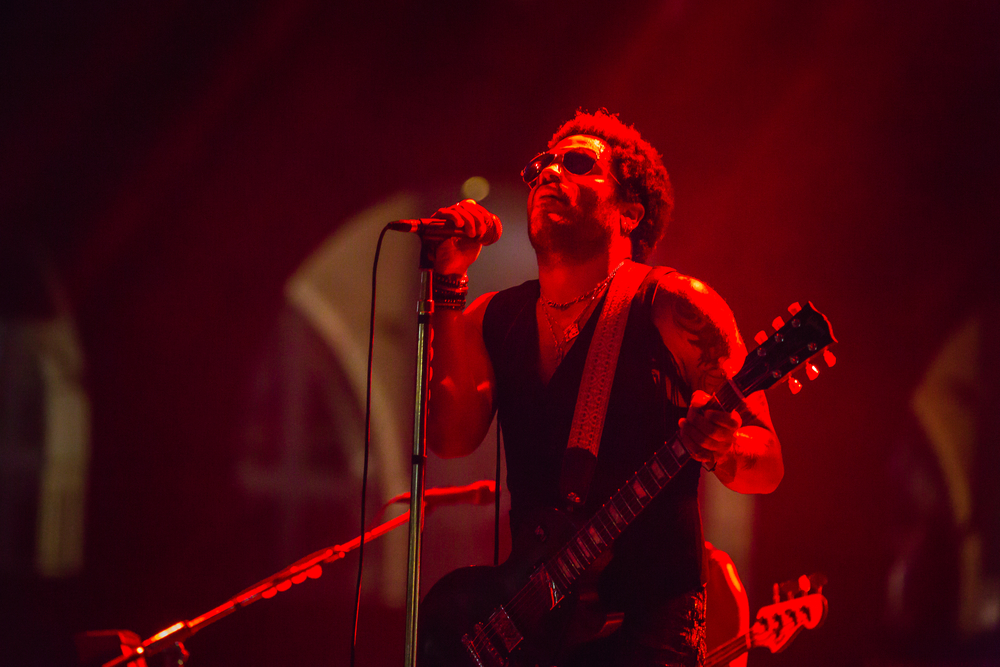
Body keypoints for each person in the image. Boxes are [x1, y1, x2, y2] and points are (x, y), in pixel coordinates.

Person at [424, 110, 783, 667]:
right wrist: (447, 280)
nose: (548, 174)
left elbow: (768, 462)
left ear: (629, 212)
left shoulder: (675, 306)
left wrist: (726, 446)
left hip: (646, 634)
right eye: (542, 165)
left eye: (576, 164)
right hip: (532, 632)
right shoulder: (493, 318)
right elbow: (447, 439)